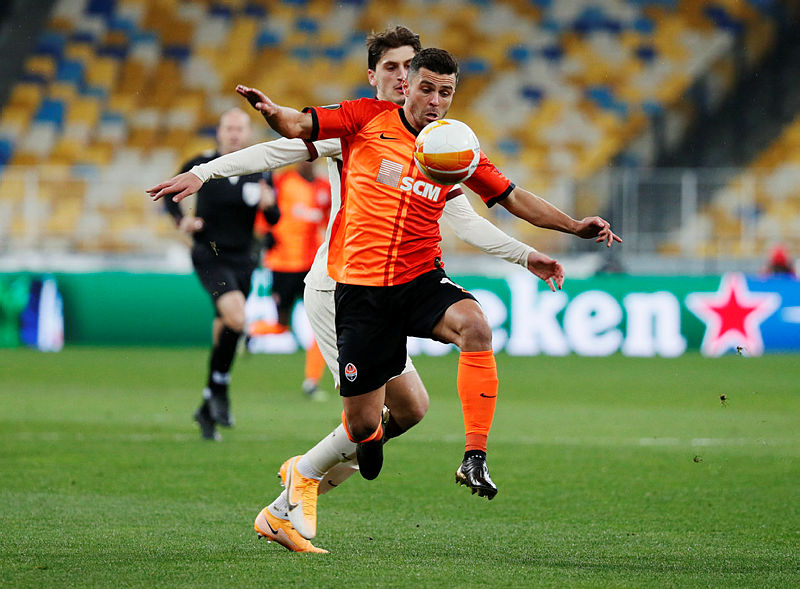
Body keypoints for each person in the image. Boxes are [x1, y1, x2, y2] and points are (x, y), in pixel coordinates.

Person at [148, 28, 617, 553]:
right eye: (395, 69)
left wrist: (530, 252)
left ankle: (318, 478)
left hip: (410, 281)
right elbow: (280, 145)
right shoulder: (359, 123)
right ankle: (308, 479)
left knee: (412, 407)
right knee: (363, 422)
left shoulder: (444, 146)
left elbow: (470, 216)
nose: (409, 83)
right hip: (340, 286)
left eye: (418, 74)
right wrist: (207, 171)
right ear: (380, 76)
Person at [163, 108, 279, 441]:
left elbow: (275, 218)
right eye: (229, 128)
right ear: (219, 132)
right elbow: (170, 195)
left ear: (248, 134)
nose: (234, 134)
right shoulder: (201, 164)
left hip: (243, 259)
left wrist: (270, 206)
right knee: (237, 318)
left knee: (225, 327)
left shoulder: (259, 169)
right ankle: (222, 391)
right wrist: (182, 220)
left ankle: (206, 406)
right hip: (209, 255)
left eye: (240, 128)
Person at [250, 161, 331, 399]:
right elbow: (264, 212)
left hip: (311, 267)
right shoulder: (283, 181)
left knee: (322, 324)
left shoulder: (325, 188)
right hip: (282, 264)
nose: (308, 161)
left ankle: (312, 381)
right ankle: (250, 331)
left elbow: (330, 220)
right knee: (281, 325)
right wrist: (264, 234)